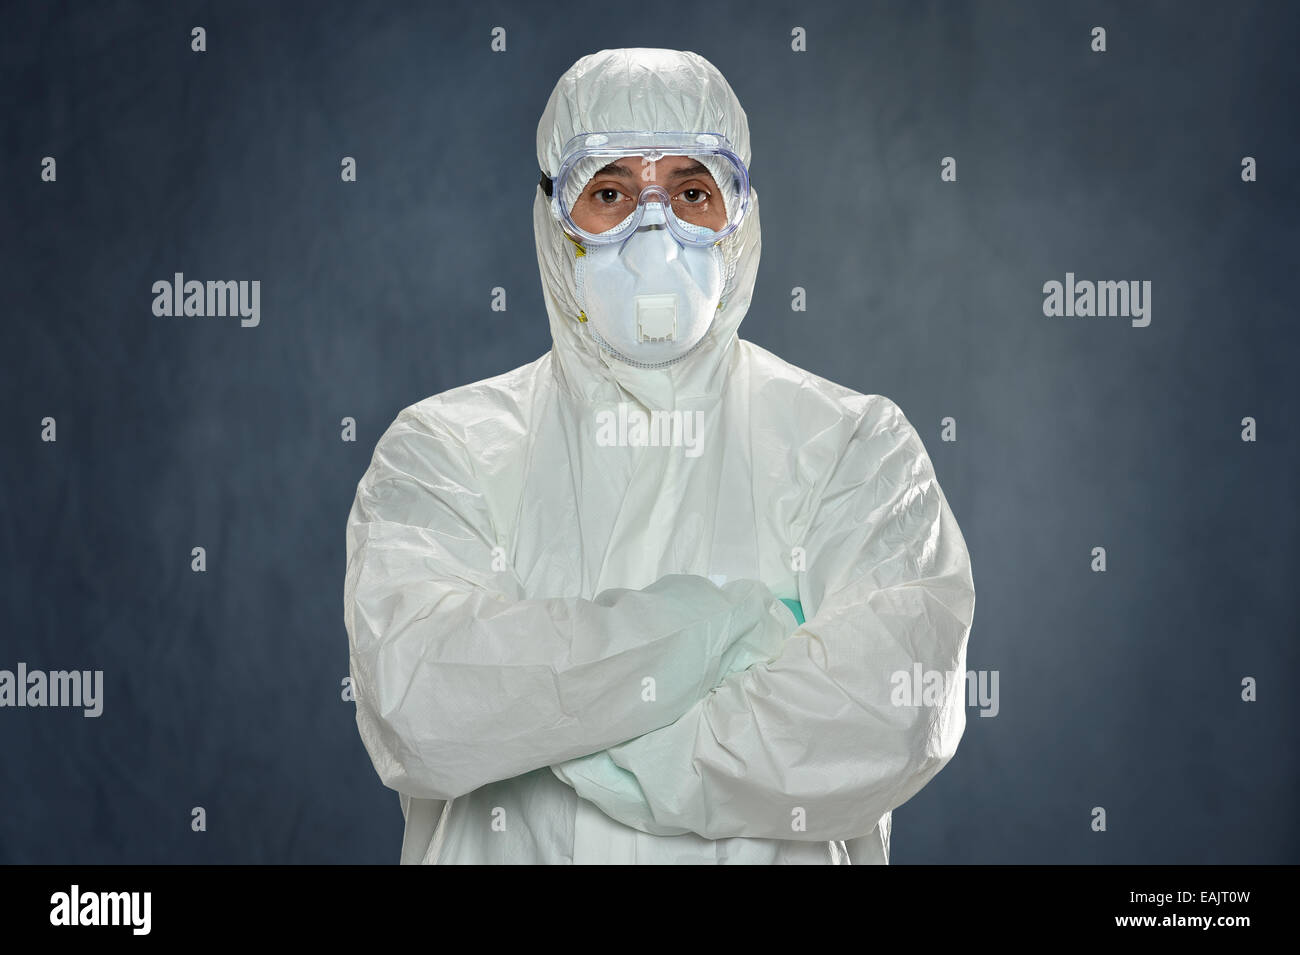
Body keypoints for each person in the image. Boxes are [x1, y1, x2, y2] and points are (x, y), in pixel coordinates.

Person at [342, 47, 976, 864]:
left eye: (691, 193)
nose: (656, 230)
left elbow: (888, 715)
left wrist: (539, 722)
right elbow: (420, 704)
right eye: (609, 193)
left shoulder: (852, 447)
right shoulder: (443, 449)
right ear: (553, 219)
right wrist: (729, 626)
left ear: (738, 220)